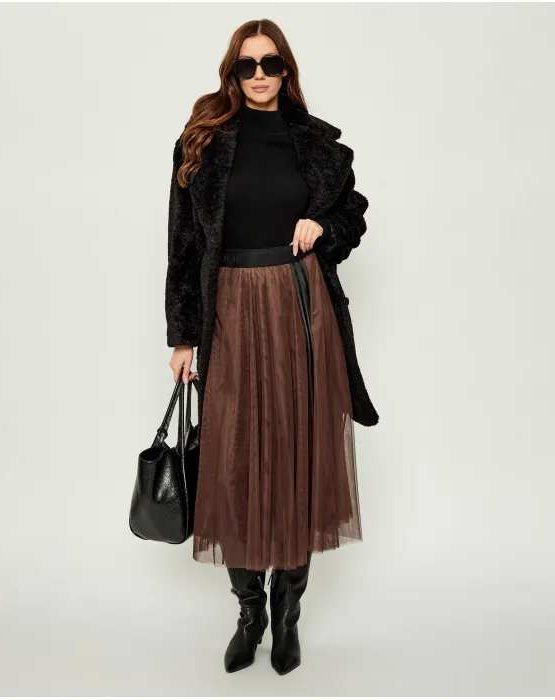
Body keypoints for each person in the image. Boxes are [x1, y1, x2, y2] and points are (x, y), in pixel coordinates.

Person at [164, 19, 379, 675]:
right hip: (228, 308)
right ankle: (249, 611)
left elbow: (354, 213)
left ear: (287, 70)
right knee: (231, 461)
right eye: (247, 65)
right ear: (232, 72)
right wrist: (182, 335)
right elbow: (184, 245)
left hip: (299, 304)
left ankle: (287, 616)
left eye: (271, 64)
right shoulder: (201, 142)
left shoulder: (317, 145)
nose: (259, 75)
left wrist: (322, 225)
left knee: (296, 456)